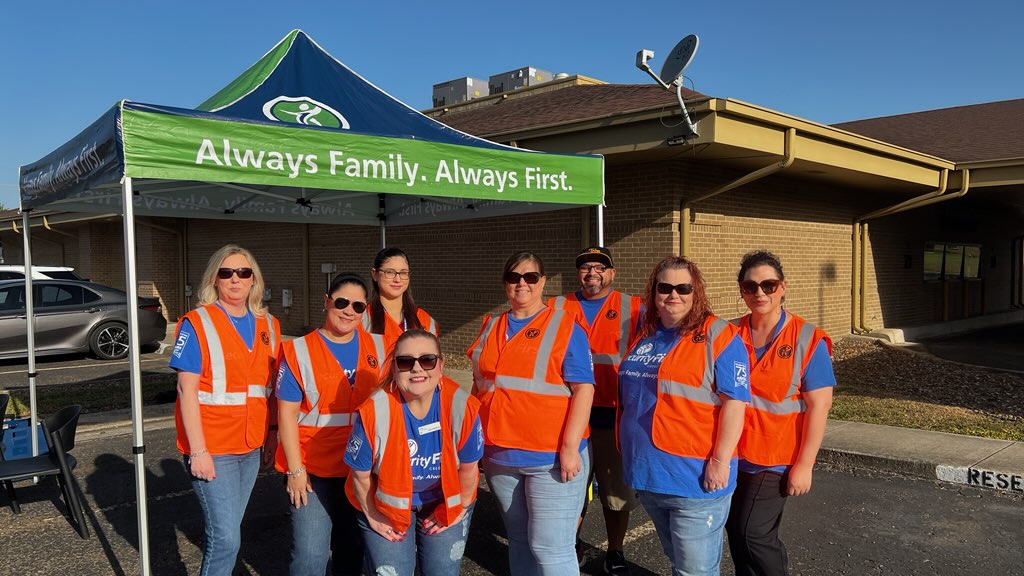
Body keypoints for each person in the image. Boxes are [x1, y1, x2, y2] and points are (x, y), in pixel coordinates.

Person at [617, 255, 751, 576]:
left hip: (694, 479)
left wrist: (719, 461)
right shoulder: (645, 333)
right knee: (679, 561)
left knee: (695, 571)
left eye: (683, 288)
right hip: (648, 475)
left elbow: (735, 403)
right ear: (653, 291)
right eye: (665, 287)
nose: (673, 295)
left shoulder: (720, 336)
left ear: (696, 292)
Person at [468, 251, 595, 576]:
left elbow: (584, 389)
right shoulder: (490, 326)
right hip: (500, 458)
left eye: (530, 277)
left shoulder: (564, 326)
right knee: (521, 542)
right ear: (505, 283)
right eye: (514, 277)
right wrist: (474, 443)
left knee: (550, 548)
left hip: (551, 458)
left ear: (543, 283)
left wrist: (569, 449)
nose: (521, 283)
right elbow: (479, 388)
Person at [171, 244, 281, 576]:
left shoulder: (269, 325)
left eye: (243, 272)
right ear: (215, 279)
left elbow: (271, 390)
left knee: (230, 531)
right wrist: (198, 450)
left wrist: (272, 434)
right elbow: (185, 390)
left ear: (254, 280)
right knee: (226, 539)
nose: (235, 279)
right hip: (213, 447)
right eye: (227, 272)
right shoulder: (196, 323)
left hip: (250, 445)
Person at [725, 251, 836, 576]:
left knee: (753, 533)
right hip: (732, 453)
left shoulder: (806, 338)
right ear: (741, 290)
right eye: (750, 286)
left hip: (775, 457)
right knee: (736, 531)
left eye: (768, 285)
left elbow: (820, 406)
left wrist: (804, 465)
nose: (759, 293)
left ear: (783, 287)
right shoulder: (728, 333)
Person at [345, 329, 483, 576]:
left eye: (427, 360)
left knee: (442, 571)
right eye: (406, 361)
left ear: (440, 365)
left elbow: (469, 469)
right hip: (385, 508)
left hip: (442, 501)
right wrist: (374, 515)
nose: (417, 369)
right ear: (395, 369)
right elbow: (360, 476)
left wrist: (458, 510)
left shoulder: (462, 406)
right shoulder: (373, 411)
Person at [274, 273, 386, 576]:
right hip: (313, 472)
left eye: (358, 306)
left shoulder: (380, 348)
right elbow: (286, 415)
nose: (349, 311)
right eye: (341, 302)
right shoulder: (298, 351)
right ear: (326, 302)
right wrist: (295, 472)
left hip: (358, 469)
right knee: (310, 556)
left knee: (352, 549)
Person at [550, 246, 641, 575]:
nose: (592, 273)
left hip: (613, 417)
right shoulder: (557, 306)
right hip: (569, 414)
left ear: (612, 274)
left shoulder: (634, 307)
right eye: (586, 267)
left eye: (600, 267)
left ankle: (615, 551)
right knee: (570, 490)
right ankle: (570, 544)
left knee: (615, 493)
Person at [363, 247, 438, 349]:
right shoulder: (361, 319)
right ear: (375, 274)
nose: (397, 279)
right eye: (390, 272)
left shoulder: (424, 320)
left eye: (403, 273)